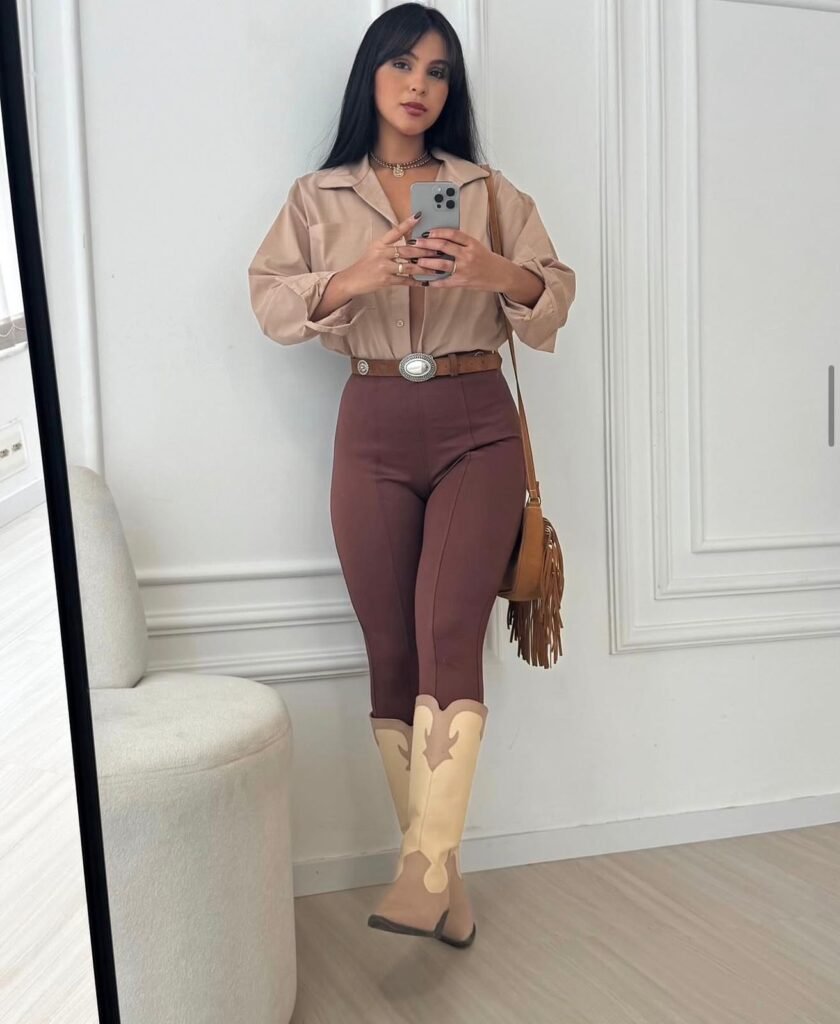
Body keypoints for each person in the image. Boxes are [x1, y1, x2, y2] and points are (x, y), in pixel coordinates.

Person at [247, 3, 576, 949]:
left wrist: (492, 271)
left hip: (477, 423)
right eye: (402, 65)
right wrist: (356, 278)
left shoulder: (485, 190)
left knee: (445, 631)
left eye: (438, 71)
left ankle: (424, 871)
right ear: (371, 75)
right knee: (391, 650)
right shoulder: (318, 197)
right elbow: (270, 302)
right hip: (373, 421)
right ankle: (443, 884)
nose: (420, 85)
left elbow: (554, 292)